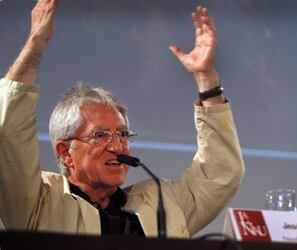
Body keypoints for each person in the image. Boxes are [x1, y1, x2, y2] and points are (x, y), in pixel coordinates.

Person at [0, 0, 244, 238]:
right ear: (65, 152)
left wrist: (207, 80)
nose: (117, 146)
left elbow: (220, 174)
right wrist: (34, 46)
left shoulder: (161, 202)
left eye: (123, 134)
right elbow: (10, 134)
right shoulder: (40, 201)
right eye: (100, 135)